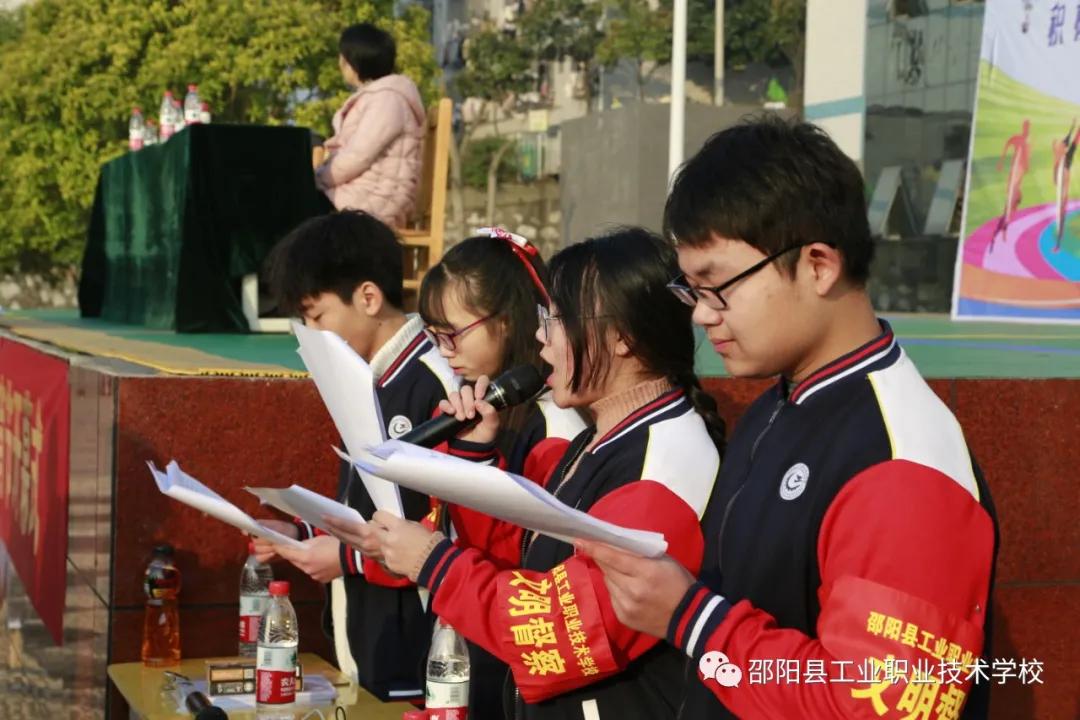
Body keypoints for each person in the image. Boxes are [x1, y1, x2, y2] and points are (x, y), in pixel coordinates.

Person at [577, 117, 999, 719]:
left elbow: (878, 705)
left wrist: (691, 618)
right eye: (690, 289)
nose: (702, 315)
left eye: (718, 285)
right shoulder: (780, 404)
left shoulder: (903, 462)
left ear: (819, 265)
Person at [328, 228, 726, 719]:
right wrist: (475, 457)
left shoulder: (661, 461)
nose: (540, 336)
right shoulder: (605, 435)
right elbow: (524, 566)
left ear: (622, 336)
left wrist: (432, 562)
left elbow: (564, 633)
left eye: (555, 320)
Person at [368, 227, 587, 718]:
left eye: (453, 334)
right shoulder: (482, 409)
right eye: (433, 335)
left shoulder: (554, 421)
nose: (444, 350)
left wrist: (473, 459)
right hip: (461, 633)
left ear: (507, 320)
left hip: (513, 650)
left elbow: (530, 555)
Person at [252, 210, 457, 702]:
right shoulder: (364, 375)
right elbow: (364, 504)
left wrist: (347, 559)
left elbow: (448, 527)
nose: (310, 334)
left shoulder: (437, 380)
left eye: (317, 316)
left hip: (420, 641)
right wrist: (300, 535)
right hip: (367, 633)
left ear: (368, 297)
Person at [312, 24, 425, 226]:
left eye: (343, 56)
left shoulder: (387, 99)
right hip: (366, 193)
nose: (339, 62)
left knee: (288, 205)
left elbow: (358, 156)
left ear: (353, 61)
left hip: (374, 199)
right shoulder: (382, 96)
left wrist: (317, 179)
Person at [991, 119, 1031, 250]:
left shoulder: (1026, 143)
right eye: (1025, 127)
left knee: (1012, 206)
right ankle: (1002, 232)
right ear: (1023, 127)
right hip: (1014, 177)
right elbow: (1007, 145)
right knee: (1009, 206)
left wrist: (1026, 164)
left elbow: (1026, 163)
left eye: (1028, 127)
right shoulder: (1018, 139)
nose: (1027, 129)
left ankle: (1003, 231)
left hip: (1018, 178)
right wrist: (1001, 161)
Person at [1051, 120, 1078, 252]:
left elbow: (1075, 139)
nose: (1060, 146)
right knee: (1059, 218)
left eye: (1061, 145)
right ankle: (1057, 244)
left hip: (1064, 194)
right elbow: (1070, 136)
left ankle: (1058, 244)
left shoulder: (1068, 156)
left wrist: (1075, 128)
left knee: (1061, 218)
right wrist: (1073, 126)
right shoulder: (1059, 160)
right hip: (1061, 192)